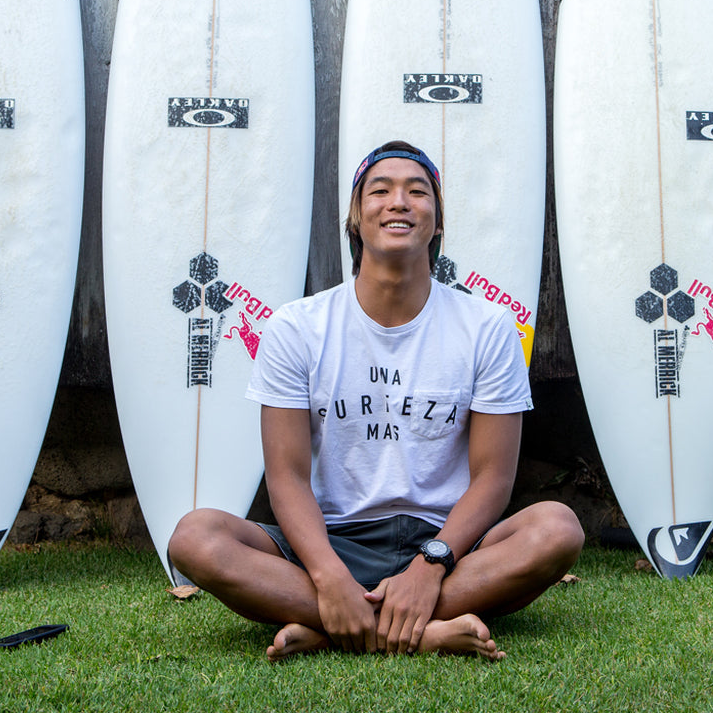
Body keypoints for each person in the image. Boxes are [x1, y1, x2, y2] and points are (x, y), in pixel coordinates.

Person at [169, 141, 583, 660]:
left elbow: (493, 478)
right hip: (334, 539)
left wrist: (431, 564)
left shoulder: (489, 327)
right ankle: (421, 633)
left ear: (438, 222)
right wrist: (327, 574)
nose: (399, 202)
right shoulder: (296, 328)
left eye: (418, 192)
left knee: (557, 529)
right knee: (195, 537)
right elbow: (287, 477)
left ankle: (335, 629)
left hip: (449, 544)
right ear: (355, 218)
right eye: (380, 190)